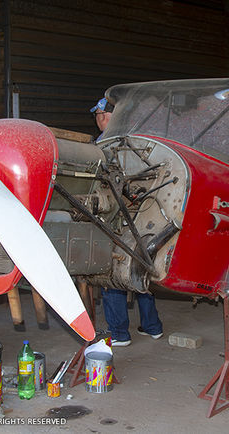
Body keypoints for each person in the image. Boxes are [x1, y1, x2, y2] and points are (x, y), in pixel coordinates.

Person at [90, 97, 164, 346]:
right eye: (98, 115)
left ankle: (120, 333)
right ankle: (152, 326)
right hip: (144, 214)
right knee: (142, 268)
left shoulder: (106, 145)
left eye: (103, 114)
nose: (99, 119)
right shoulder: (142, 142)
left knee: (112, 272)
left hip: (118, 217)